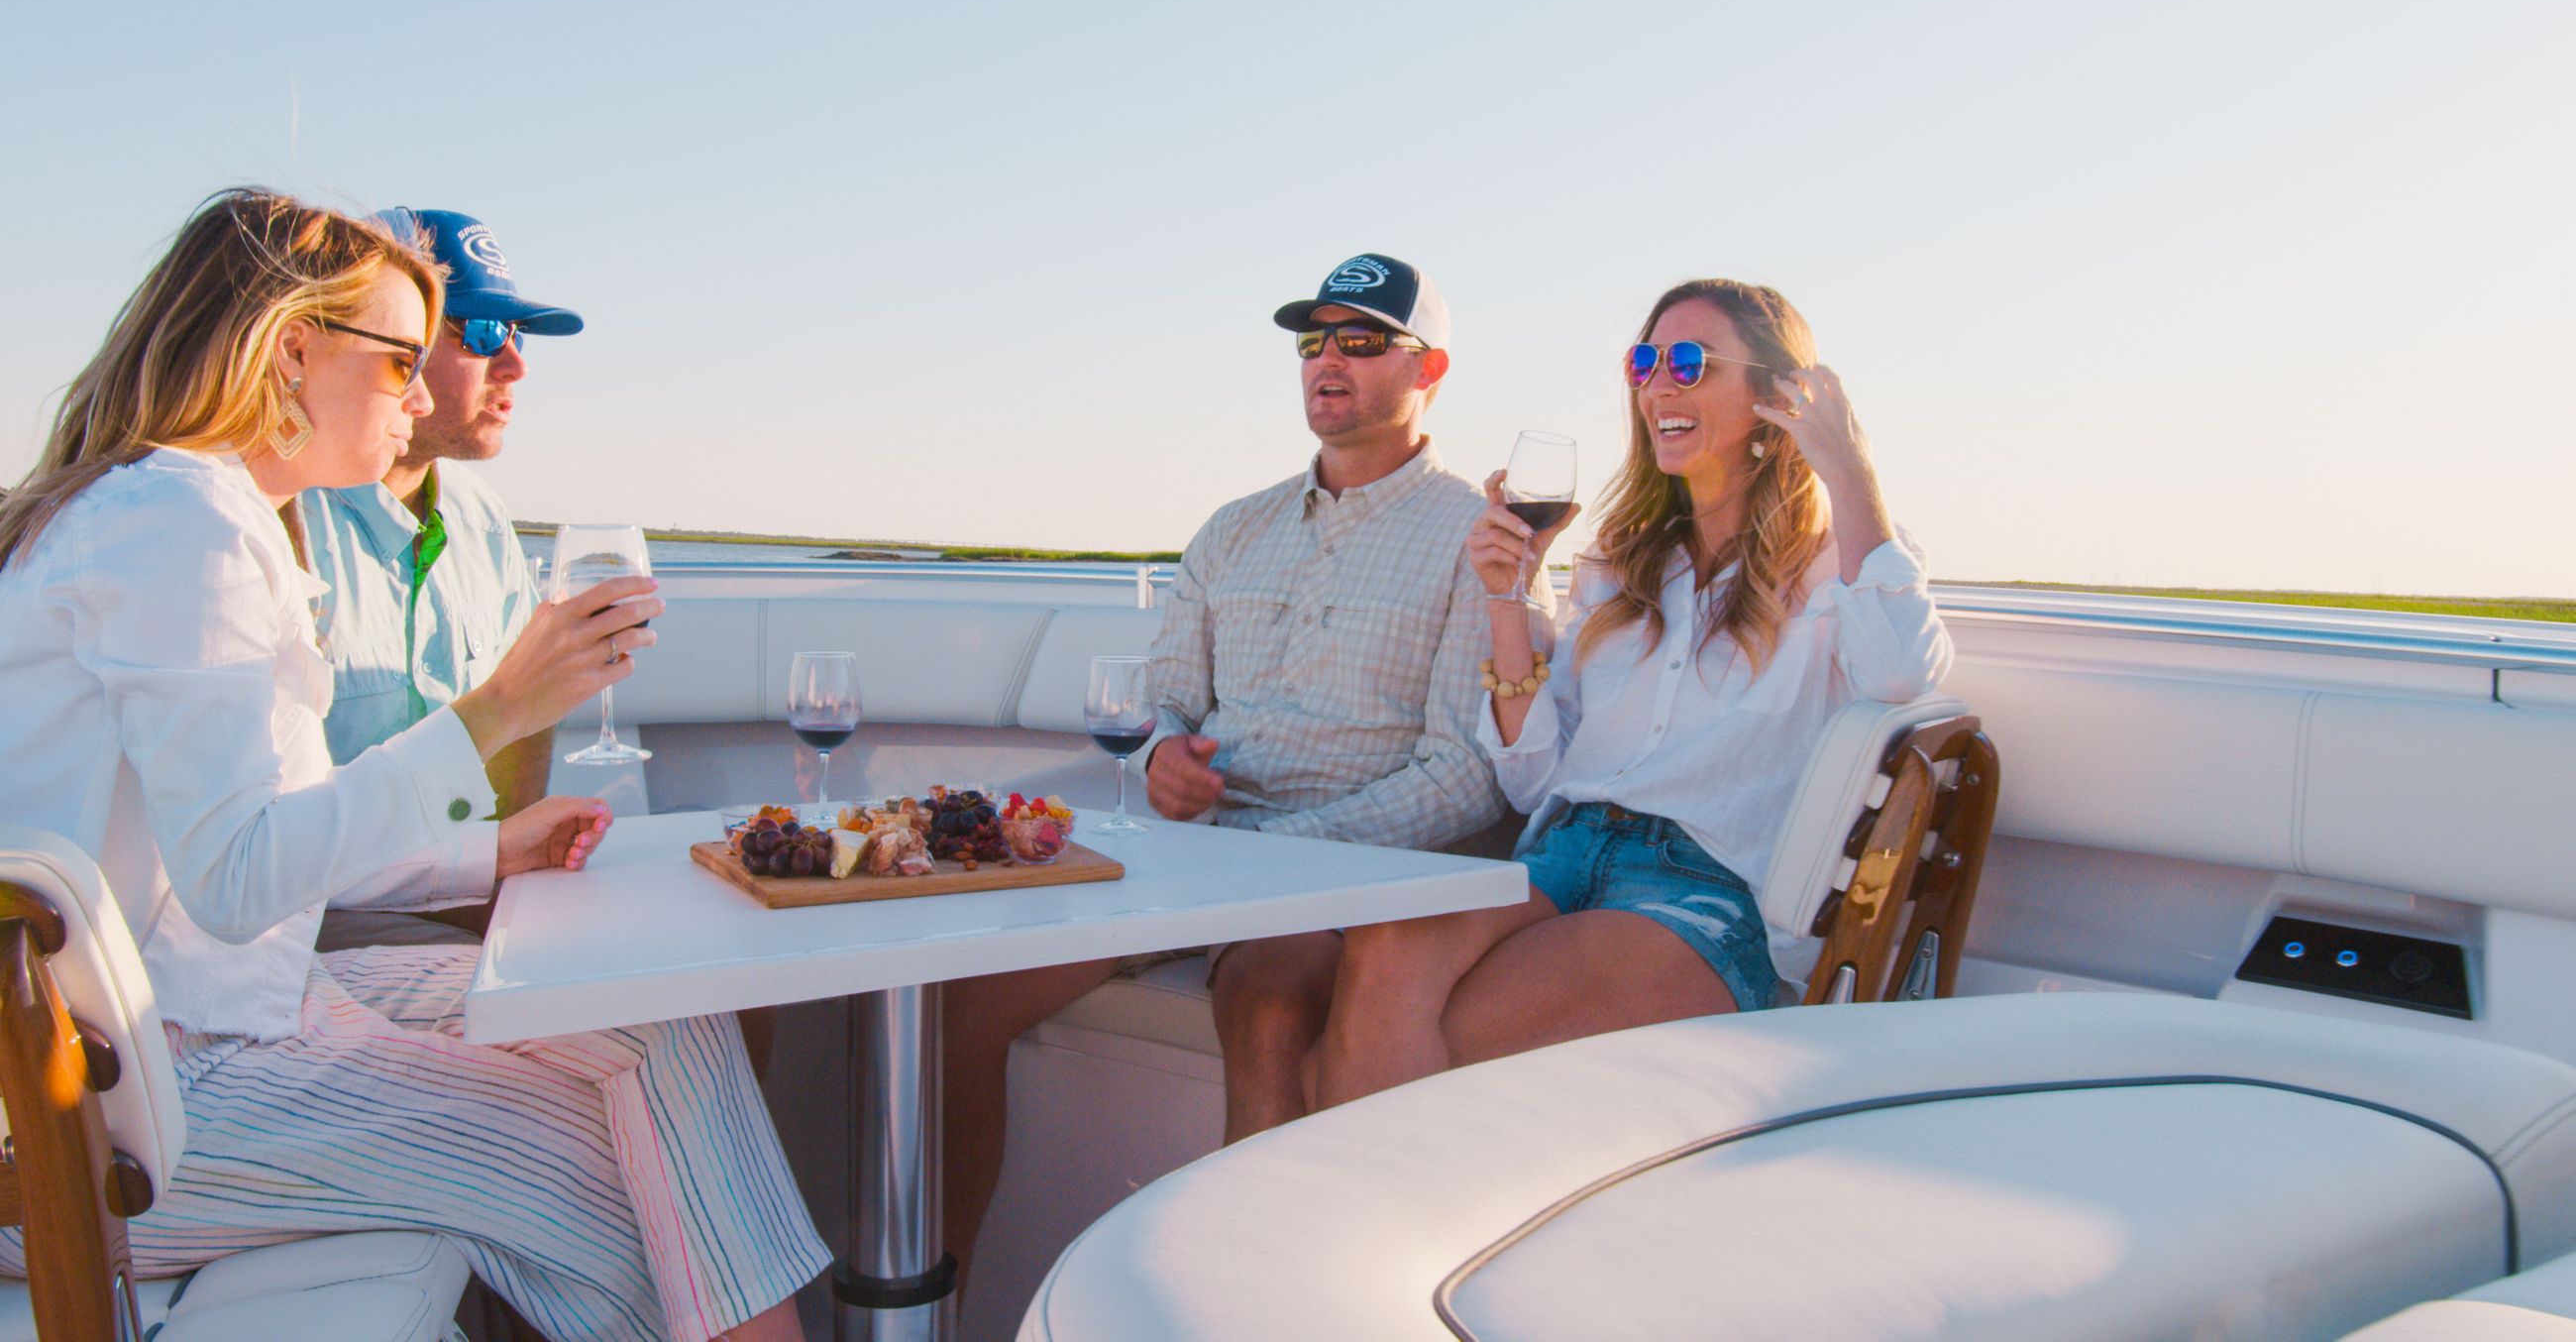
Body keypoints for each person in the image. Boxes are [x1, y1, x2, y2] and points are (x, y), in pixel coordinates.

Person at [0, 190, 827, 1342]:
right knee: (571, 1155)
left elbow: (238, 850)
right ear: (293, 350)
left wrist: (482, 851)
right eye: (400, 361)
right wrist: (494, 712)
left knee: (664, 1025)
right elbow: (241, 878)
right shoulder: (181, 520)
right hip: (103, 1103)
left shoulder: (197, 511)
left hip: (215, 1011)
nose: (414, 393)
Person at [939, 253, 1523, 1278]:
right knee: (962, 1000)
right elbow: (1166, 695)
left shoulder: (1475, 539)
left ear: (1427, 370)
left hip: (1349, 876)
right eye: (1312, 341)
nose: (1325, 361)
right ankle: (933, 1296)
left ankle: (1241, 1302)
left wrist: (1274, 856)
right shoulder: (1231, 528)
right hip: (1198, 860)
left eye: (1358, 340)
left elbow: (1466, 777)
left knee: (1265, 1007)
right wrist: (1166, 753)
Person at [1304, 278, 1953, 1113]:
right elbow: (1533, 782)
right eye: (1644, 362)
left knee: (1413, 1048)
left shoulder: (1841, 562)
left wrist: (1849, 468)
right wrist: (1509, 596)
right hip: (1561, 856)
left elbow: (1905, 674)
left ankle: (1351, 1231)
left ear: (1774, 394)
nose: (1658, 386)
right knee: (1385, 955)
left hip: (1703, 890)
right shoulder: (1622, 561)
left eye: (1689, 362)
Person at [301, 208, 582, 951]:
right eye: (485, 333)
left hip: (462, 899)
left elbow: (530, 711)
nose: (516, 365)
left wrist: (503, 883)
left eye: (517, 337)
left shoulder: (481, 519)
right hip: (316, 931)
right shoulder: (279, 516)